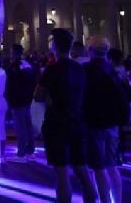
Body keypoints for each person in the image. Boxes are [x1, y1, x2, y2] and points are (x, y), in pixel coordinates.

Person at [35, 28, 97, 203]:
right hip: (77, 121)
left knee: (61, 173)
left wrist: (51, 97)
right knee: (82, 170)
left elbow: (38, 96)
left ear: (55, 46)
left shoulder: (51, 70)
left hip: (57, 123)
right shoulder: (80, 69)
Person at [83, 37, 126, 203]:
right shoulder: (112, 71)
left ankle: (105, 201)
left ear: (90, 51)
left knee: (98, 168)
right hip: (112, 123)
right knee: (112, 166)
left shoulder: (86, 70)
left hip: (94, 123)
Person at [5, 44, 37, 162]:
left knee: (20, 126)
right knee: (27, 125)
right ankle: (30, 151)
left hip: (17, 100)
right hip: (27, 99)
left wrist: (10, 98)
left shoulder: (14, 66)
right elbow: (33, 80)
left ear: (14, 53)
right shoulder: (27, 64)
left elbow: (11, 85)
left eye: (11, 51)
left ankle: (21, 153)